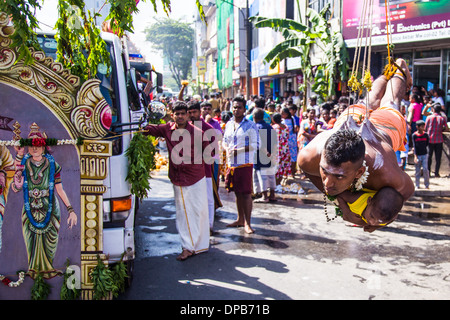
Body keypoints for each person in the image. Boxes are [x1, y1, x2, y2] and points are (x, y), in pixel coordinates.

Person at [298, 58, 415, 232]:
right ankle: (386, 74)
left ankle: (399, 68)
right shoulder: (308, 157)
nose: (327, 183)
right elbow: (309, 170)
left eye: (338, 176)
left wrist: (379, 221)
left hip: (384, 129)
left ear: (360, 171)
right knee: (370, 99)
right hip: (349, 120)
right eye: (325, 170)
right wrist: (341, 200)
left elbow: (402, 197)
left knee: (390, 103)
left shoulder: (386, 174)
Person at [143, 101, 210, 260]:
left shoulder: (198, 132)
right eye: (177, 114)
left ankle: (200, 245)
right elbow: (148, 130)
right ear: (172, 115)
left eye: (183, 114)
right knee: (183, 213)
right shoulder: (167, 128)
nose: (180, 116)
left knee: (199, 210)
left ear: (187, 115)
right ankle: (187, 247)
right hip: (179, 178)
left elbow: (207, 152)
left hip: (196, 175)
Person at [12, 123, 77, 278]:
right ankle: (33, 270)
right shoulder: (25, 162)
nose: (35, 149)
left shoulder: (52, 164)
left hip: (50, 206)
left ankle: (48, 269)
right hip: (30, 208)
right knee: (32, 239)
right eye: (32, 146)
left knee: (50, 240)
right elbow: (17, 184)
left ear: (44, 147)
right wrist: (19, 155)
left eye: (38, 146)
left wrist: (70, 209)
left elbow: (59, 189)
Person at [223, 96, 258, 234]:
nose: (236, 110)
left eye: (239, 107)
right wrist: (227, 149)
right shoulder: (229, 124)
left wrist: (239, 151)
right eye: (235, 107)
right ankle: (239, 219)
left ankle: (248, 223)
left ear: (244, 109)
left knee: (246, 193)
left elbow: (256, 144)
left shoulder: (250, 125)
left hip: (245, 163)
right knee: (237, 193)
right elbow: (225, 141)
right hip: (232, 163)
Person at [187, 100, 221, 234]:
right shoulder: (184, 127)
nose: (192, 115)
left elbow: (212, 152)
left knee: (207, 199)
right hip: (189, 171)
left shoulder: (208, 129)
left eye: (194, 112)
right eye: (189, 112)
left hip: (205, 170)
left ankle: (209, 227)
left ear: (199, 112)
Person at [335, 187, 403, 232]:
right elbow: (340, 195)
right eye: (371, 216)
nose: (373, 223)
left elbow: (393, 218)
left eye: (380, 222)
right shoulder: (357, 199)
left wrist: (376, 227)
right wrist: (347, 212)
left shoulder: (386, 218)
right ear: (369, 201)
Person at [252, 108, 277, 203]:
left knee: (262, 175)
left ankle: (264, 196)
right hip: (271, 154)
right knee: (270, 174)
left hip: (261, 155)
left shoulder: (255, 128)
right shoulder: (269, 127)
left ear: (254, 117)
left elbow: (260, 144)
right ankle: (272, 195)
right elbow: (275, 142)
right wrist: (272, 154)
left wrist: (266, 153)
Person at [425, 103, 448, 178]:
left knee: (429, 156)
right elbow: (446, 128)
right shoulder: (442, 118)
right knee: (438, 157)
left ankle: (428, 172)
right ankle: (436, 173)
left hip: (430, 139)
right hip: (439, 140)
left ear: (433, 110)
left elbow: (425, 128)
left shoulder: (429, 118)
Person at [272, 113, 292, 186]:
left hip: (277, 150)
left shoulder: (274, 127)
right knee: (282, 167)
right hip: (285, 150)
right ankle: (278, 184)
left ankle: (275, 185)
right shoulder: (286, 127)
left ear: (273, 120)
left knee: (276, 168)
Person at [411, 120, 429, 189]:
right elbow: (414, 146)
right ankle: (417, 185)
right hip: (418, 155)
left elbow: (427, 144)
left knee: (425, 169)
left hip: (424, 154)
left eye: (423, 126)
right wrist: (415, 156)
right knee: (417, 171)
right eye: (421, 126)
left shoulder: (426, 135)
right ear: (417, 127)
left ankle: (426, 184)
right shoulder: (414, 135)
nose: (423, 128)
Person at [281, 107, 298, 178]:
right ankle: (292, 172)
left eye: (283, 114)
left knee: (286, 156)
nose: (282, 115)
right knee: (293, 156)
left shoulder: (283, 122)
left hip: (287, 140)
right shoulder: (292, 119)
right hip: (293, 139)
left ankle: (287, 172)